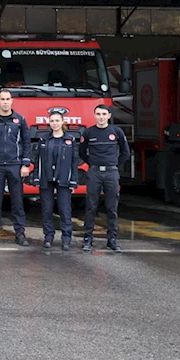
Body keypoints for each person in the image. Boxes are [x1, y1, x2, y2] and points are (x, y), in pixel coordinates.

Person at [79, 104, 130, 253]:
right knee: (91, 206)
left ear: (109, 115)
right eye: (98, 114)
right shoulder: (88, 132)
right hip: (94, 172)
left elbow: (125, 153)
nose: (101, 117)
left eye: (103, 114)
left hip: (111, 173)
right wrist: (93, 164)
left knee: (111, 207)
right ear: (94, 116)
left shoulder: (117, 132)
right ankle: (88, 239)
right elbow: (82, 152)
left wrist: (114, 165)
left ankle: (112, 239)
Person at [0, 89, 31, 246]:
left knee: (17, 201)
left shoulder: (20, 120)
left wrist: (25, 163)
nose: (5, 102)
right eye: (2, 99)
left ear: (12, 101)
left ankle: (20, 233)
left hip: (15, 165)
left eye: (7, 99)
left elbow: (26, 142)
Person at [32, 111, 78, 251]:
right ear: (49, 123)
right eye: (52, 121)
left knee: (65, 209)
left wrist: (73, 181)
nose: (55, 123)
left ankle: (66, 239)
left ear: (62, 122)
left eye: (57, 121)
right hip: (46, 178)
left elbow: (74, 162)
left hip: (64, 178)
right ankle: (48, 237)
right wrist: (36, 177)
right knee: (47, 209)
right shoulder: (44, 140)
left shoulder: (70, 140)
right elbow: (37, 160)